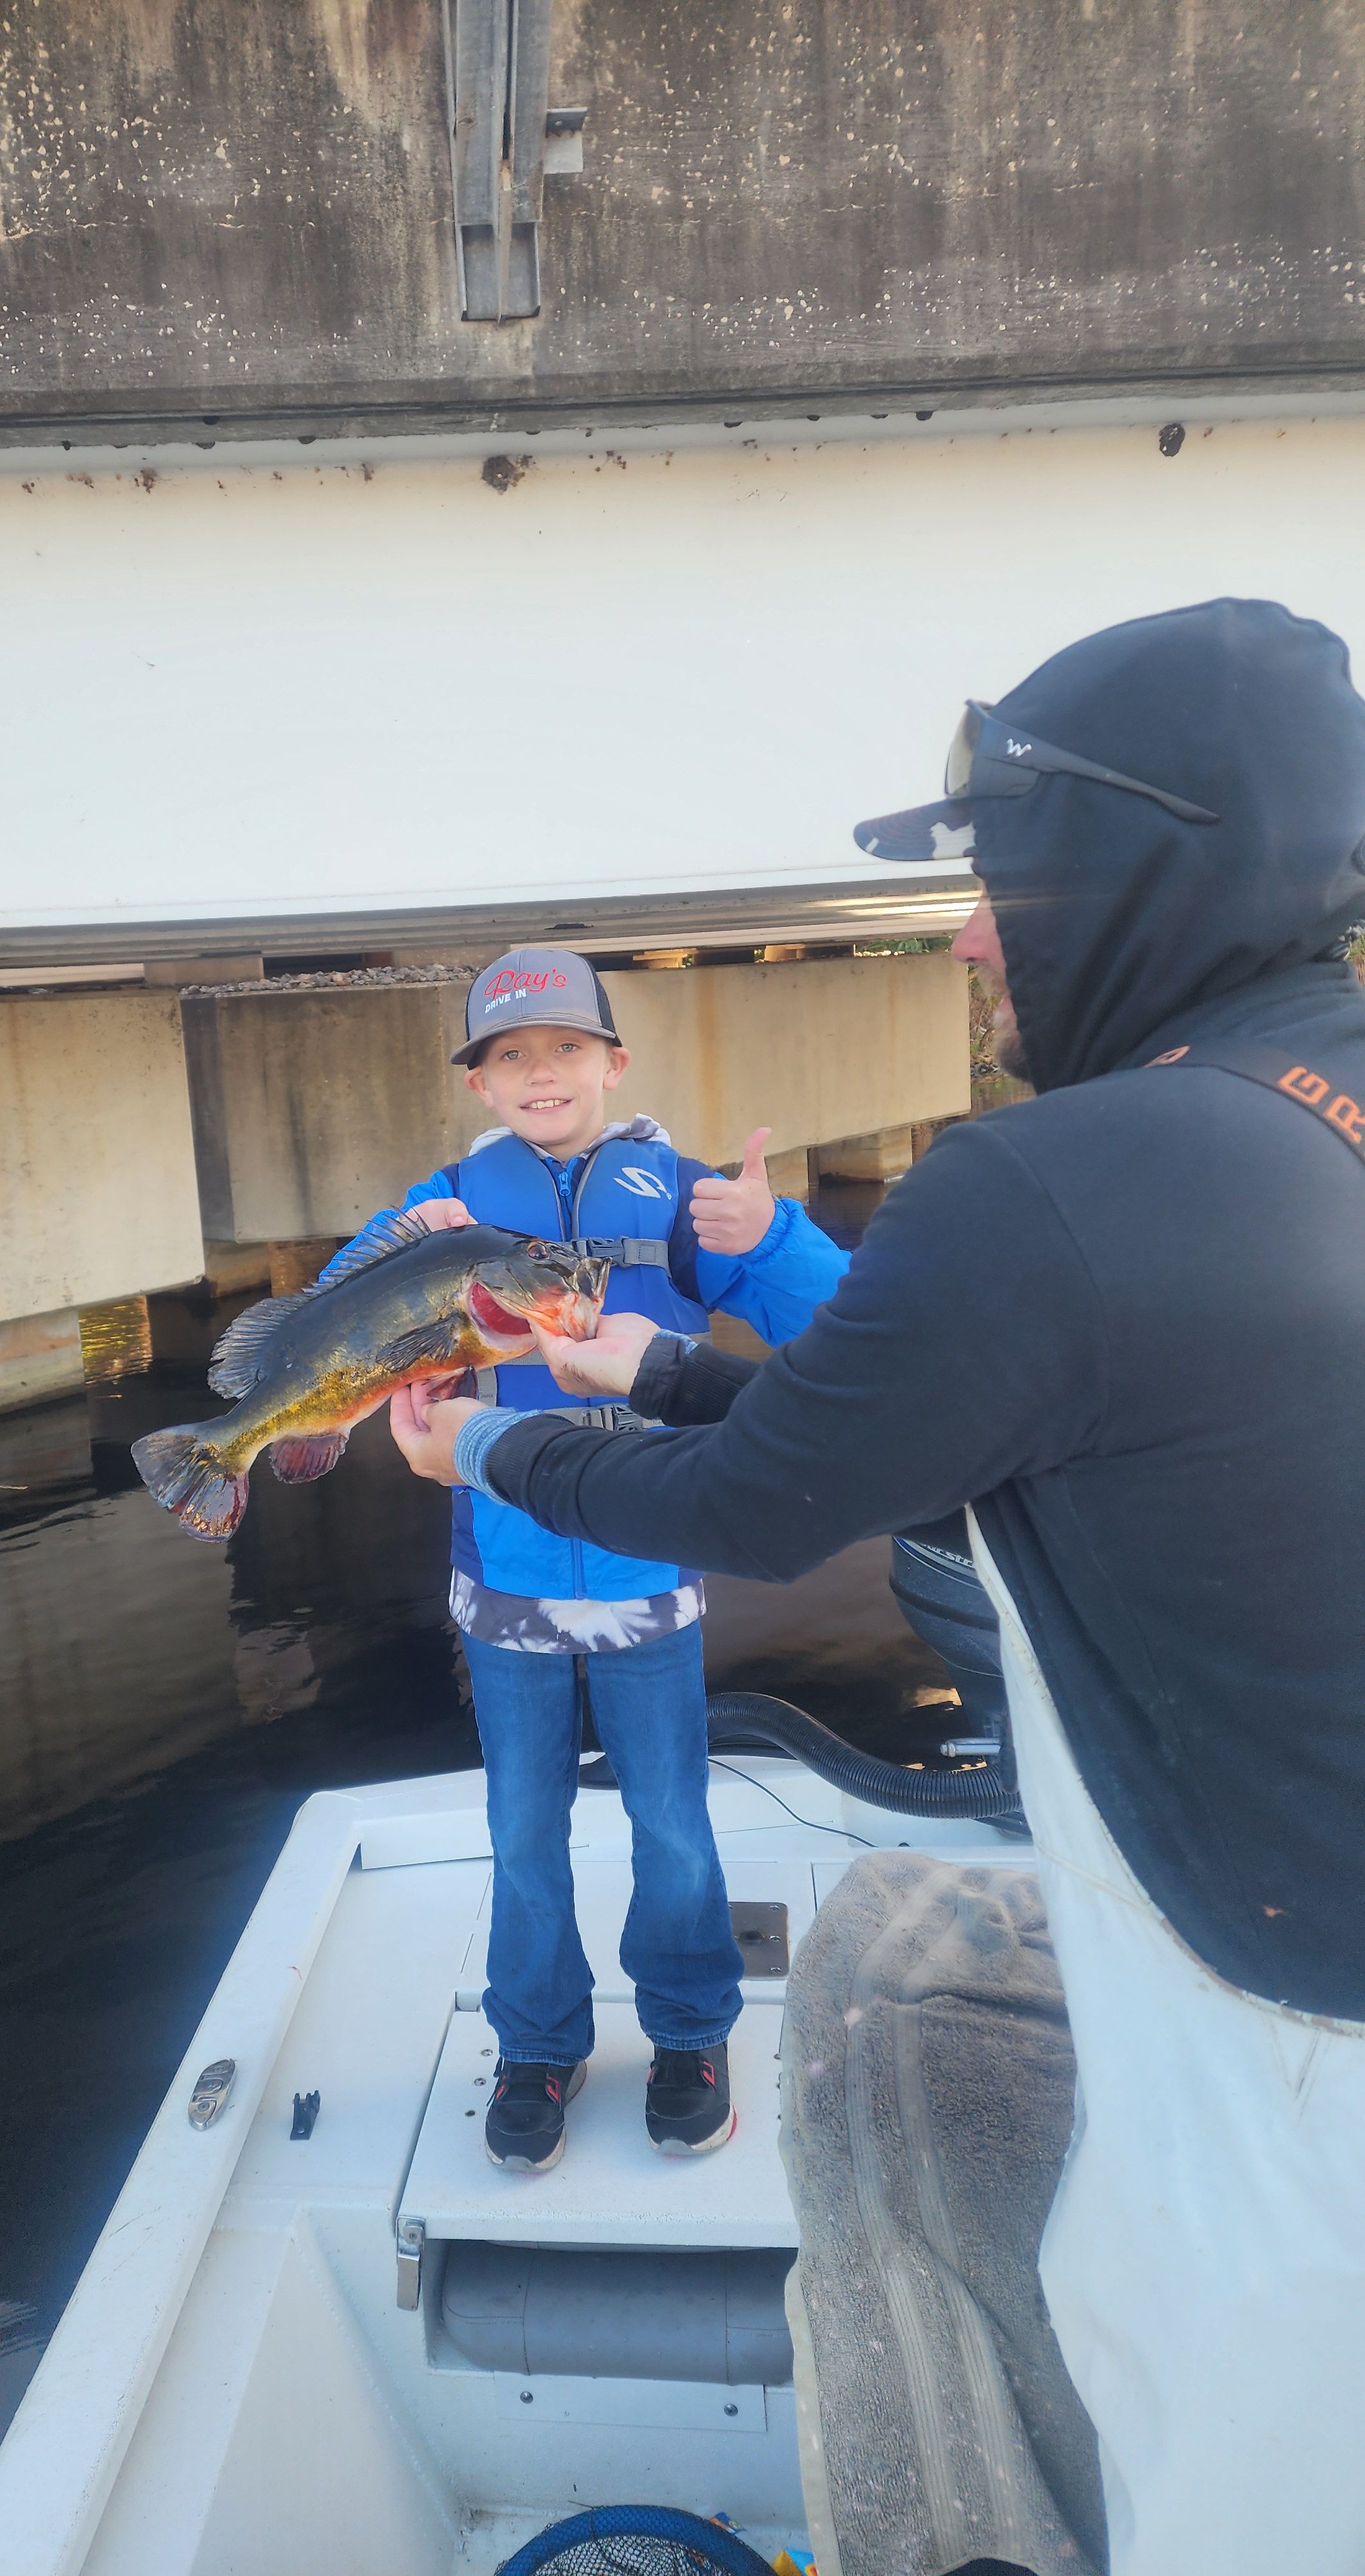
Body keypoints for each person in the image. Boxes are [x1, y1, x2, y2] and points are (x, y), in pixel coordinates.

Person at [392, 600, 1365, 2571]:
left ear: (1138, 863)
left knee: (1245, 2491)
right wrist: (651, 1365)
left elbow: (768, 1503)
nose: (975, 932)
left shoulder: (1054, 1181)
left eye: (1004, 878)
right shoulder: (1301, 1107)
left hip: (1291, 2052)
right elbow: (923, 1417)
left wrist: (487, 1442)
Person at [321, 945, 846, 2169]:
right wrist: (399, 1243)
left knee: (670, 1819)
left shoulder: (678, 1197)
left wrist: (772, 1237)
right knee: (522, 1824)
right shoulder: (447, 1199)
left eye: (565, 1047)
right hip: (502, 1578)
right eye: (511, 1056)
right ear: (479, 1085)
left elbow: (847, 1342)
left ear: (616, 1061)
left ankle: (687, 2032)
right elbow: (331, 1318)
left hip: (647, 1574)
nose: (541, 1072)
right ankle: (540, 2045)